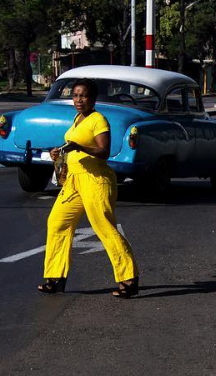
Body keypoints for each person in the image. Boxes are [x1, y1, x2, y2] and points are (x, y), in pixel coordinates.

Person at [40, 78, 139, 298]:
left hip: (95, 180)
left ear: (92, 99)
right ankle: (55, 278)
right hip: (74, 181)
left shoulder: (98, 120)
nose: (78, 100)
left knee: (104, 227)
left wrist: (81, 147)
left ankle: (128, 278)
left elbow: (104, 151)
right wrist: (59, 153)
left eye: (83, 96)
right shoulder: (78, 119)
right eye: (75, 95)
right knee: (57, 223)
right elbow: (73, 147)